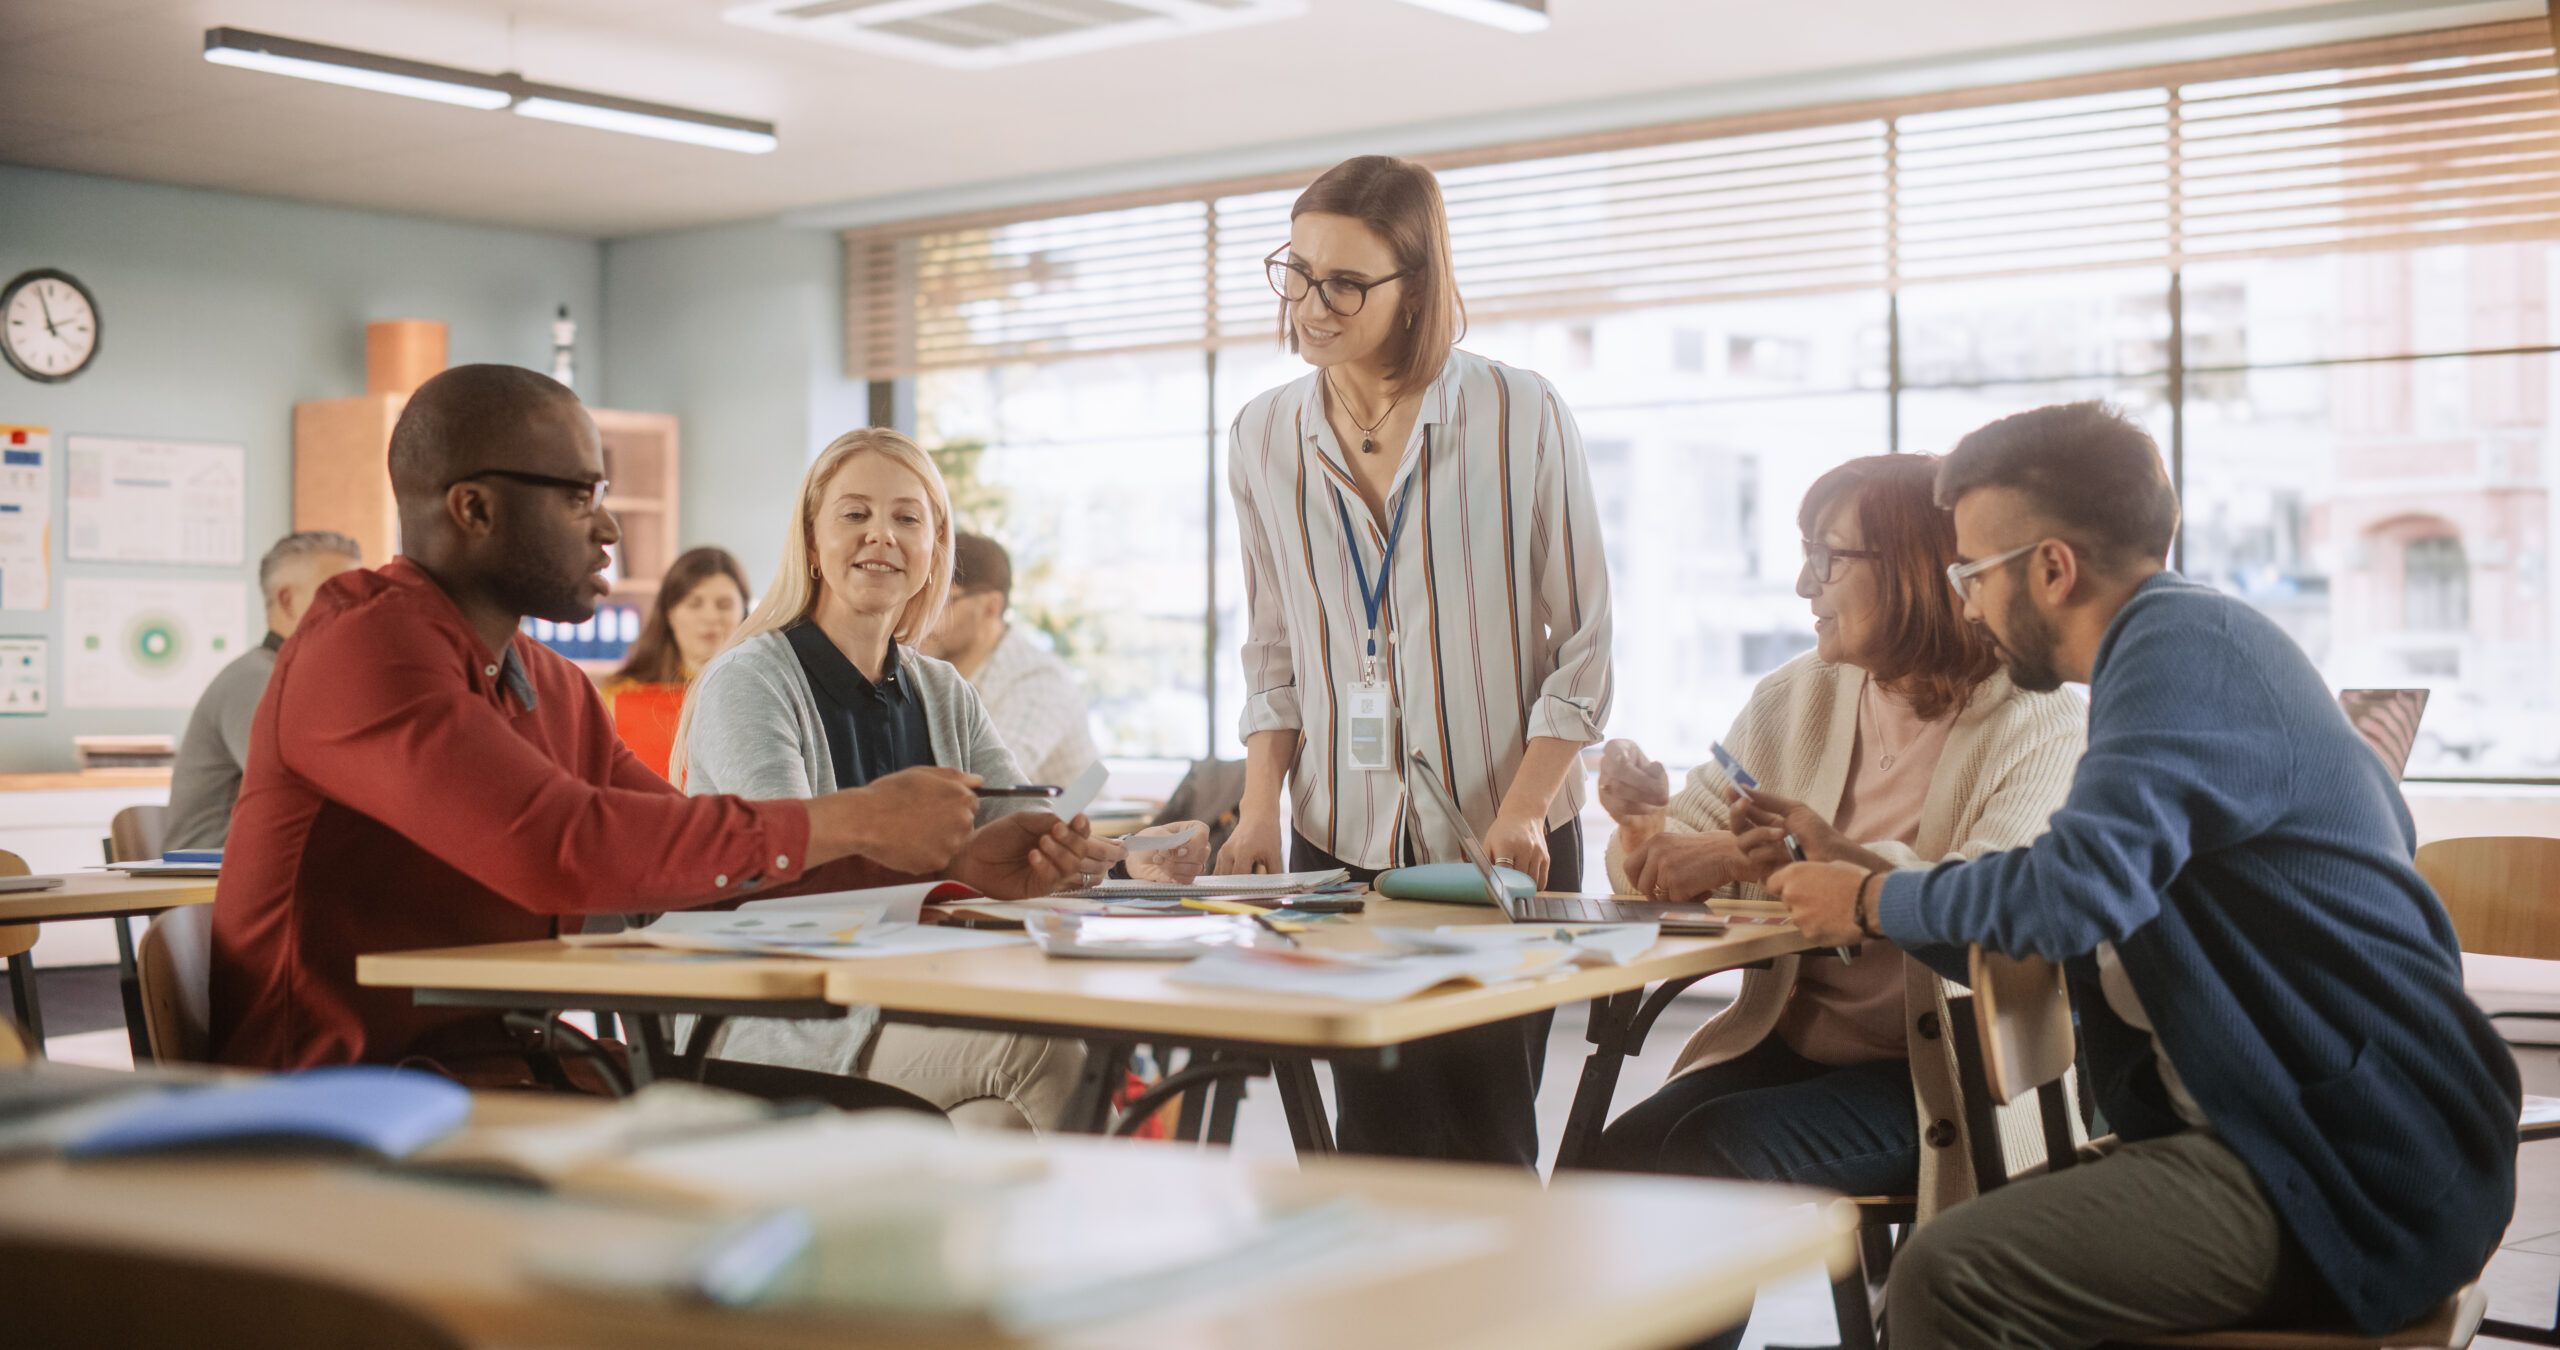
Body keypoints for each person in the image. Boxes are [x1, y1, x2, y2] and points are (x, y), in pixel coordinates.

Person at [1766, 402, 2521, 1346]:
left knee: (1948, 1277)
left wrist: (1874, 900)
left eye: (1970, 574)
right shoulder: (2191, 647)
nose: (1962, 603)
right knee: (1952, 1266)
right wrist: (1876, 880)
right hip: (2326, 1139)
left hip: (2351, 1170)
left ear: (2051, 568)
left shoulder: (2178, 651)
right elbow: (2069, 891)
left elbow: (2075, 892)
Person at [208, 366, 1107, 1083]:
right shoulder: (364, 646)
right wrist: (862, 817)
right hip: (335, 1092)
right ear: (473, 509)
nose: (607, 528)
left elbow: (685, 866)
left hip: (500, 1060)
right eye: (576, 495)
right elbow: (557, 844)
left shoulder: (548, 685)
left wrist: (950, 866)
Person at [1581, 454, 2085, 1350]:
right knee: (1605, 1168)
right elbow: (1668, 870)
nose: (1804, 583)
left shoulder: (2037, 718)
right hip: (1798, 1049)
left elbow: (1992, 899)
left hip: (1946, 1078)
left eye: (1829, 558)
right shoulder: (1799, 695)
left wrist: (1836, 862)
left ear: (1917, 570)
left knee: (1708, 1161)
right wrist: (1647, 831)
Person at [1216, 155, 1614, 1165]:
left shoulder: (1518, 412)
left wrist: (1525, 805)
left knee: (1485, 1137)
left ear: (1417, 288)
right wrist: (1259, 806)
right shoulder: (1264, 434)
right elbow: (1272, 643)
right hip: (1337, 834)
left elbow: (1585, 643)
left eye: (1345, 283)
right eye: (1295, 271)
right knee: (1369, 1146)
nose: (1310, 305)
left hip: (1497, 841)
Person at [677, 428, 1204, 1130]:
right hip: (779, 1015)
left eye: (906, 518)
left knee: (1002, 1121)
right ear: (811, 541)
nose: (882, 537)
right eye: (855, 515)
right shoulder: (750, 681)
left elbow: (1022, 848)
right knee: (1044, 1054)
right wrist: (959, 871)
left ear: (934, 550)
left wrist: (1128, 859)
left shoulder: (942, 690)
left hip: (914, 996)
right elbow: (785, 880)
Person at [164, 530, 364, 850]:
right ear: (287, 600)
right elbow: (305, 791)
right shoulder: (256, 680)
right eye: (340, 595)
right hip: (211, 884)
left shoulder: (304, 680)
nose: (358, 610)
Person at [918, 532, 1101, 790]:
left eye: (944, 601)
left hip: (1081, 825)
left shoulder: (1038, 680)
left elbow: (987, 784)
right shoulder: (934, 672)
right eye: (921, 598)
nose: (924, 616)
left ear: (991, 607)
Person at [599, 545, 750, 781]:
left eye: (724, 605)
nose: (711, 617)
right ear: (670, 613)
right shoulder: (618, 698)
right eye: (694, 603)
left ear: (744, 613)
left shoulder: (760, 696)